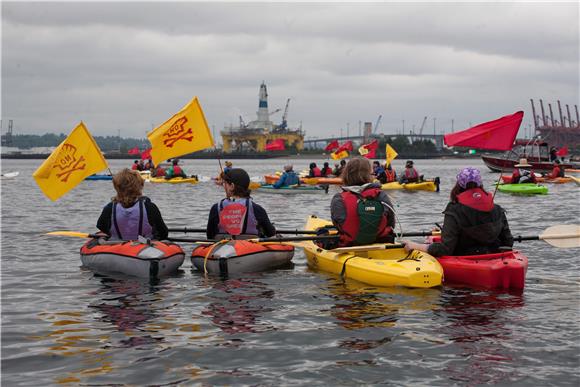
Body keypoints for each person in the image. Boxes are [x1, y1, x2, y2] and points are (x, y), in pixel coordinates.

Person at [403, 167, 513, 256]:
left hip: (466, 259)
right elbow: (508, 242)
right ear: (480, 185)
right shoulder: (497, 208)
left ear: (459, 185)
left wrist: (416, 246)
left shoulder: (454, 210)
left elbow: (445, 249)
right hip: (494, 256)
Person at [330, 157, 395, 247]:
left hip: (350, 244)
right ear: (369, 174)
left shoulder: (338, 198)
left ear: (346, 174)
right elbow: (391, 222)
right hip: (380, 241)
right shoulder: (381, 194)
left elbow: (338, 224)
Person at [97, 169, 168, 240]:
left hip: (117, 247)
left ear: (117, 187)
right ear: (140, 186)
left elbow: (101, 226)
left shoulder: (110, 207)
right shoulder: (149, 207)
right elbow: (163, 233)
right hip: (144, 248)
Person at [207, 168, 276, 240]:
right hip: (250, 248)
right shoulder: (257, 209)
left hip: (222, 247)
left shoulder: (215, 208)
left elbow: (210, 235)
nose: (224, 186)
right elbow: (270, 233)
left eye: (225, 184)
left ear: (232, 186)